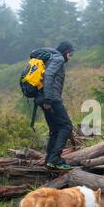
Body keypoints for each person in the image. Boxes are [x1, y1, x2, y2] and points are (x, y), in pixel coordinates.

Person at [32, 41, 74, 171]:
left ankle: (49, 160)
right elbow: (48, 76)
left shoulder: (49, 59)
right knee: (66, 126)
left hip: (42, 97)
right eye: (70, 54)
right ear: (66, 52)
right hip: (51, 98)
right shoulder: (58, 58)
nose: (70, 57)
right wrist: (49, 100)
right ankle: (55, 159)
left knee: (55, 129)